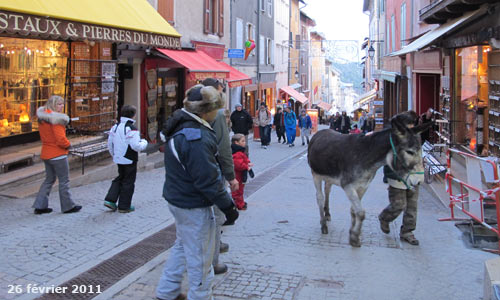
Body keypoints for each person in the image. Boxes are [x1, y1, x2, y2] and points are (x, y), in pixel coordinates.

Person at [156, 84, 239, 300]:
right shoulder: (196, 137)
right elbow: (208, 180)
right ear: (205, 111)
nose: (219, 113)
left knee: (183, 246)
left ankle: (167, 292)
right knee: (201, 258)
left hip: (179, 198)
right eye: (217, 109)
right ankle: (200, 296)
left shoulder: (183, 126)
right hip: (192, 204)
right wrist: (228, 206)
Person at [201, 78, 238, 275]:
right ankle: (212, 261)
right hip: (212, 171)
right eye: (221, 91)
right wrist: (231, 175)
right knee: (216, 215)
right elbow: (224, 147)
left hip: (191, 175)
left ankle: (215, 245)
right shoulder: (217, 114)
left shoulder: (189, 113)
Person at [379, 111, 423, 246]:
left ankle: (407, 232)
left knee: (412, 207)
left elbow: (418, 156)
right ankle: (385, 218)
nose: (410, 126)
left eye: (412, 124)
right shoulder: (391, 137)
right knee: (398, 205)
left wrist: (420, 173)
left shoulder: (416, 136)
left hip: (414, 176)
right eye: (408, 124)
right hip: (398, 177)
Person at [32, 95, 82, 214]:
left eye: (62, 104)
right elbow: (60, 139)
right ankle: (68, 206)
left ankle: (40, 205)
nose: (62, 106)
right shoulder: (57, 120)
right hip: (58, 154)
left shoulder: (43, 118)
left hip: (46, 152)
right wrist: (69, 145)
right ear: (53, 105)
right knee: (64, 180)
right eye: (59, 104)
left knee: (49, 179)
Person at [104, 105, 147, 213]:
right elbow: (135, 146)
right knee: (128, 180)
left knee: (120, 177)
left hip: (118, 157)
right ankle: (124, 206)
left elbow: (110, 142)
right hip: (129, 157)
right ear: (133, 115)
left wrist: (113, 154)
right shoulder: (132, 129)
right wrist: (144, 143)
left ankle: (110, 199)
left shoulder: (115, 126)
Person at [231, 134, 253, 210]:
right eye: (242, 141)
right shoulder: (237, 153)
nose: (244, 142)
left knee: (239, 190)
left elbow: (244, 158)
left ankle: (239, 202)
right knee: (238, 190)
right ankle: (240, 204)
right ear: (236, 142)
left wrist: (247, 162)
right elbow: (238, 165)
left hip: (240, 174)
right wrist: (247, 166)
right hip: (238, 175)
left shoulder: (239, 150)